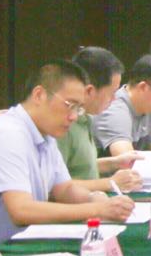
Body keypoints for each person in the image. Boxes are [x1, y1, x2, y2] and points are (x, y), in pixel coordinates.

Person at [0, 60, 135, 246]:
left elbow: (64, 189)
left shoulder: (45, 134)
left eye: (78, 108)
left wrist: (92, 198)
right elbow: (21, 210)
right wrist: (96, 209)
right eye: (70, 105)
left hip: (15, 244)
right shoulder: (8, 134)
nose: (74, 116)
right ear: (39, 95)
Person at [56, 46, 144, 190]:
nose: (114, 99)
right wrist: (110, 183)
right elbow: (54, 185)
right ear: (90, 91)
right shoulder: (63, 125)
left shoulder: (86, 118)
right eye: (112, 92)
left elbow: (79, 167)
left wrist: (114, 163)